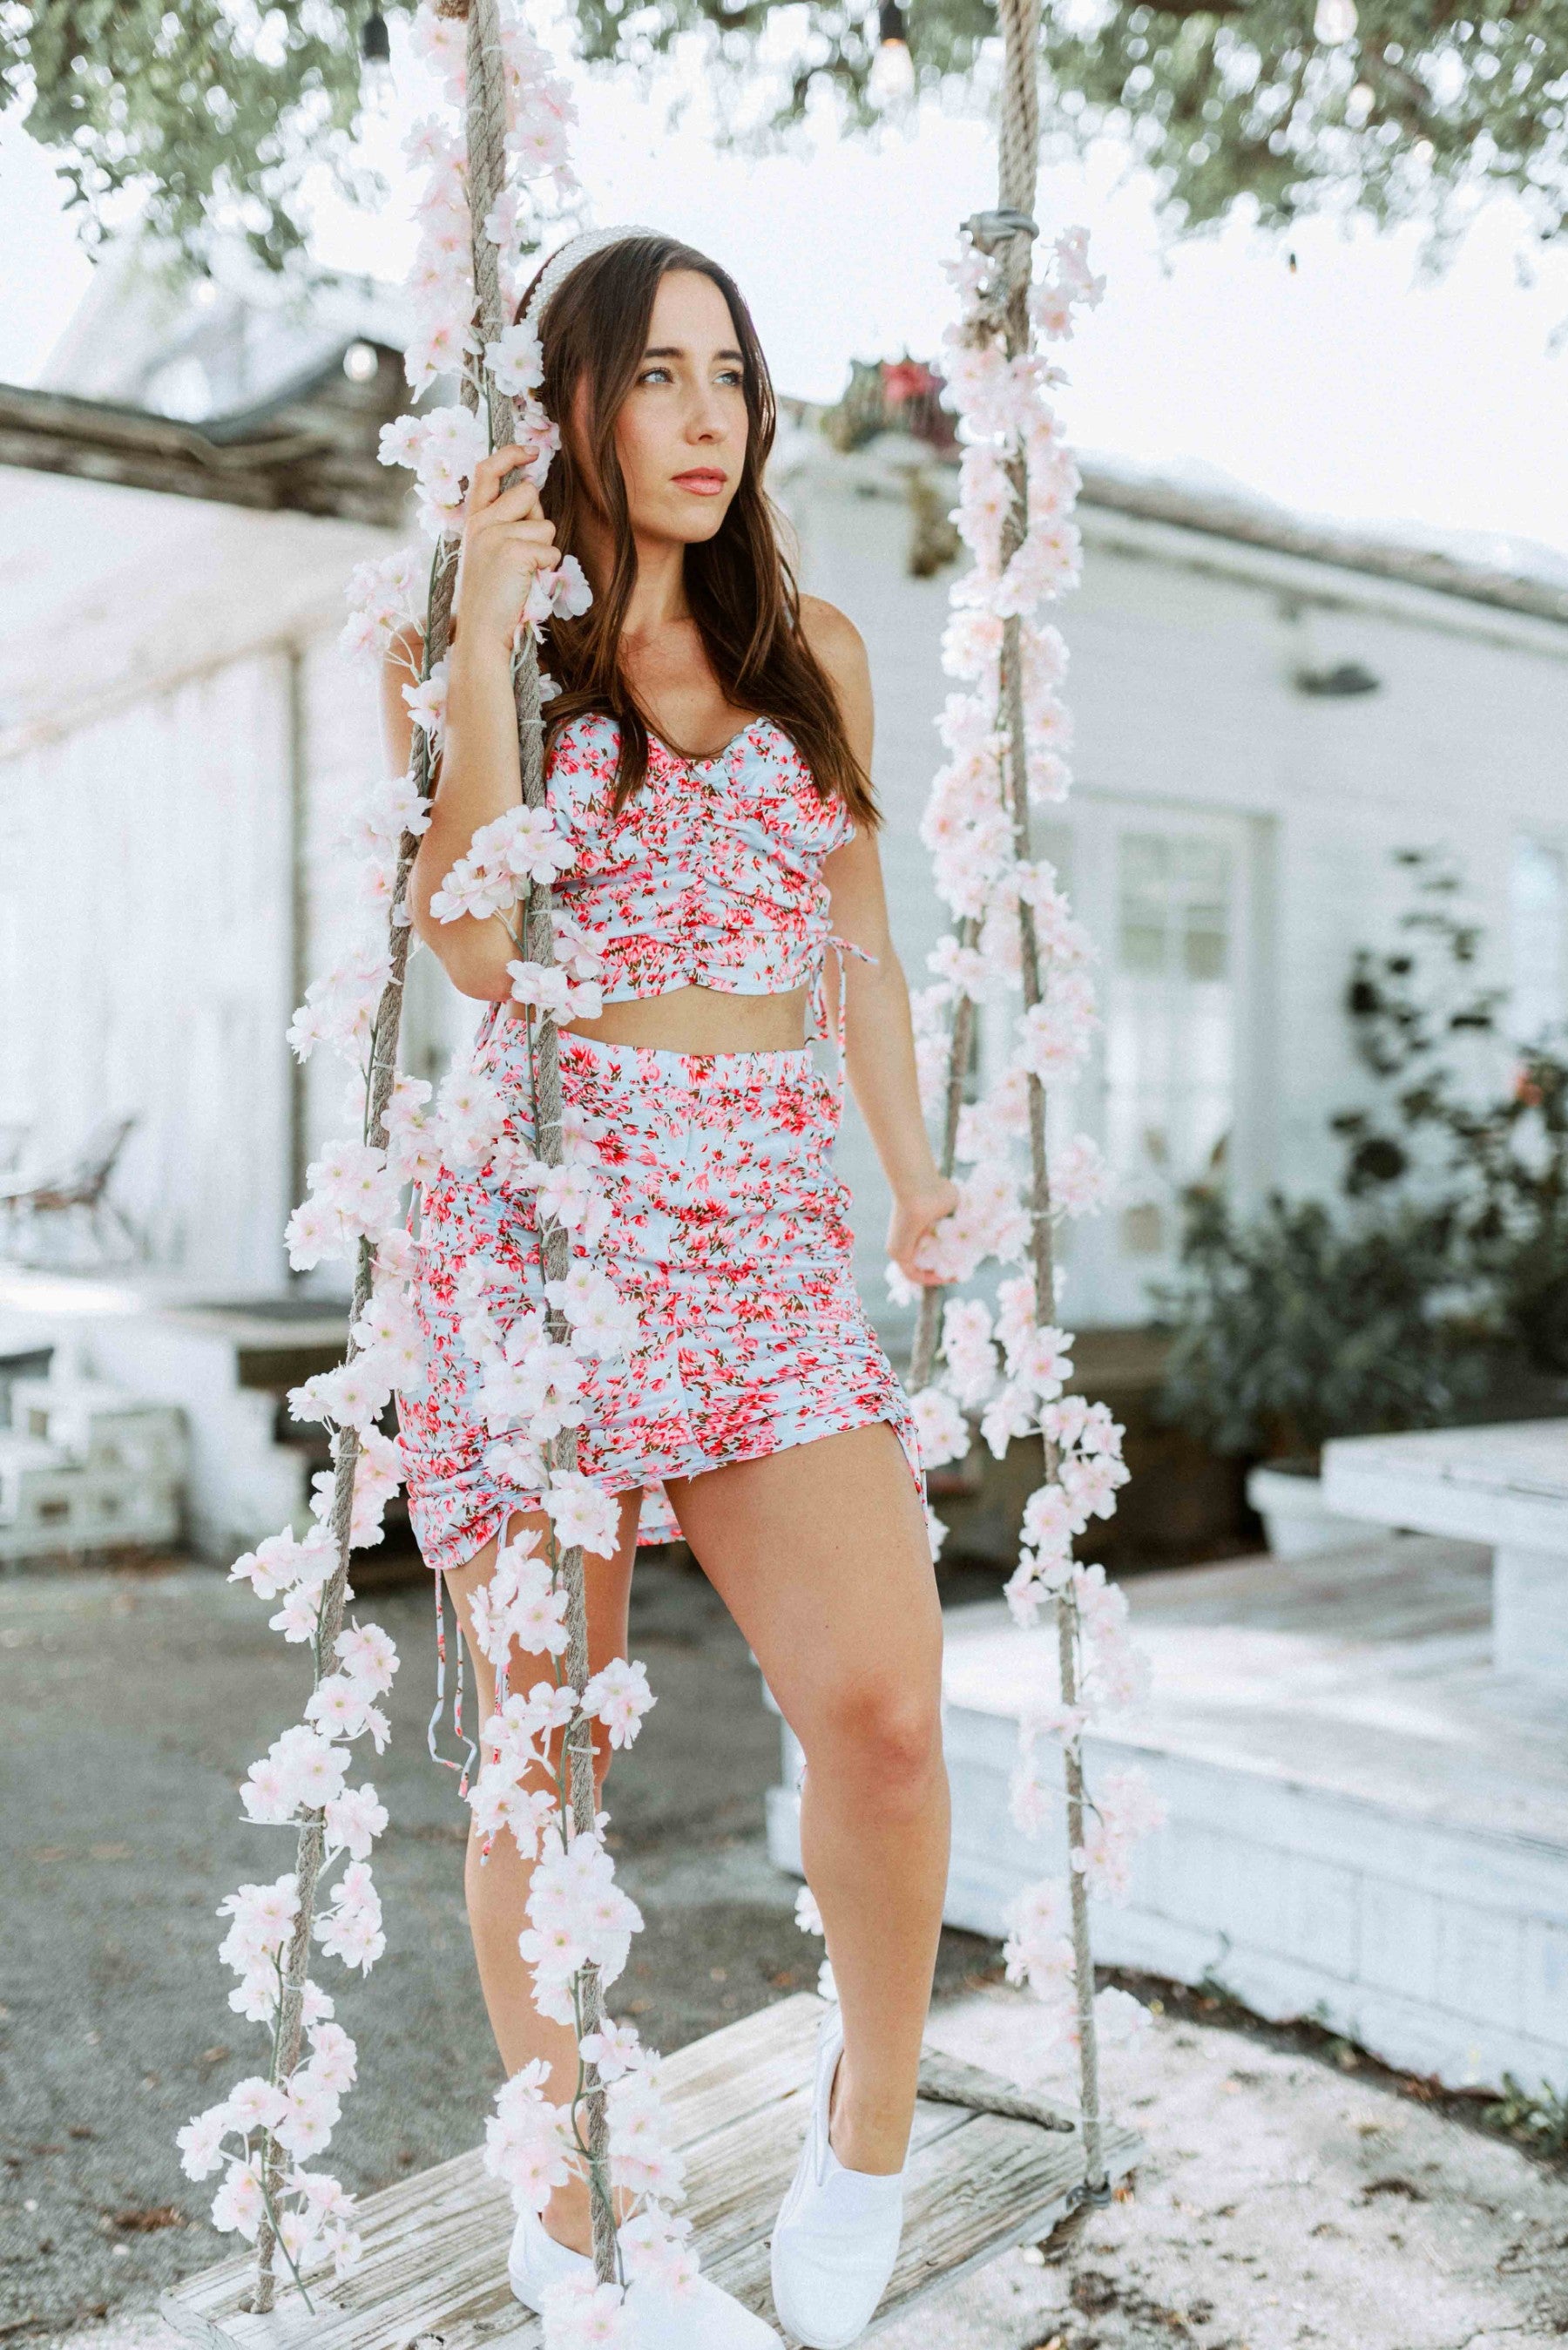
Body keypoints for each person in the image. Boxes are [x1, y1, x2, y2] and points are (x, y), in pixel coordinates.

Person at [382, 226, 957, 2350]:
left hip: (766, 1234)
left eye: (732, 371)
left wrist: (914, 1181)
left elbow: (861, 943)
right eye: (657, 376)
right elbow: (461, 943)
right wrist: (470, 620)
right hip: (543, 1224)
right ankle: (567, 2204)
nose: (709, 416)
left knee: (885, 1719)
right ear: (571, 407)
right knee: (541, 1754)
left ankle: (868, 2117)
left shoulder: (814, 648)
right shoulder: (485, 655)